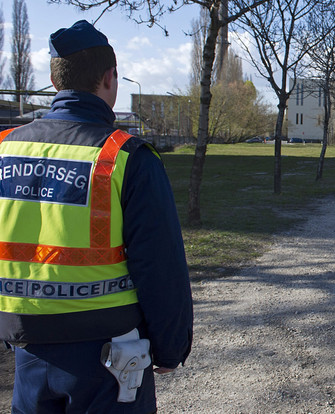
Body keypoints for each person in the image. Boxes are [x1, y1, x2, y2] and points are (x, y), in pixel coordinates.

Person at [0, 20, 193, 412]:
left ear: (56, 82)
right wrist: (170, 348)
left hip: (27, 351)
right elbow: (160, 265)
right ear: (109, 77)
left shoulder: (5, 149)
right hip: (112, 362)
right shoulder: (126, 158)